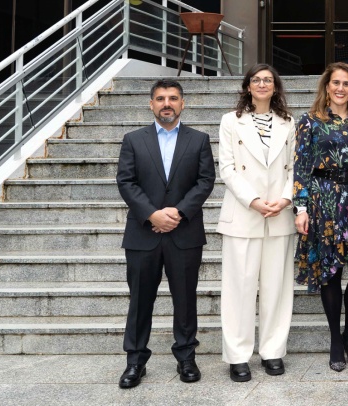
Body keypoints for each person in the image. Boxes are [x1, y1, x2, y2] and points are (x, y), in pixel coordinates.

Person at [115, 79, 215, 389]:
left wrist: (178, 213)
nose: (166, 103)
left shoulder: (199, 140)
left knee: (185, 300)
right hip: (143, 234)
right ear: (151, 104)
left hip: (184, 233)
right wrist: (152, 214)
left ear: (183, 103)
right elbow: (126, 182)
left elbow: (205, 181)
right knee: (140, 300)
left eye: (172, 98)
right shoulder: (133, 140)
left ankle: (186, 357)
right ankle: (135, 361)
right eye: (160, 98)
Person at [293, 62, 348, 372]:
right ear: (327, 87)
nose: (340, 88)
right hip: (323, 203)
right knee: (329, 271)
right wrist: (300, 208)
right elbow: (301, 166)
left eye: (347, 84)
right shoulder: (310, 121)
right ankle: (334, 340)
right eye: (336, 83)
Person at [216, 64, 297, 382]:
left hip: (279, 214)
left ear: (275, 87)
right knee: (239, 288)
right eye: (256, 80)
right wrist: (253, 201)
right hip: (243, 213)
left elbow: (296, 166)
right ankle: (237, 356)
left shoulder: (288, 123)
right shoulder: (230, 121)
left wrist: (285, 199)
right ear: (247, 86)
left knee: (277, 287)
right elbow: (228, 168)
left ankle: (273, 351)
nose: (262, 84)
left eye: (268, 80)